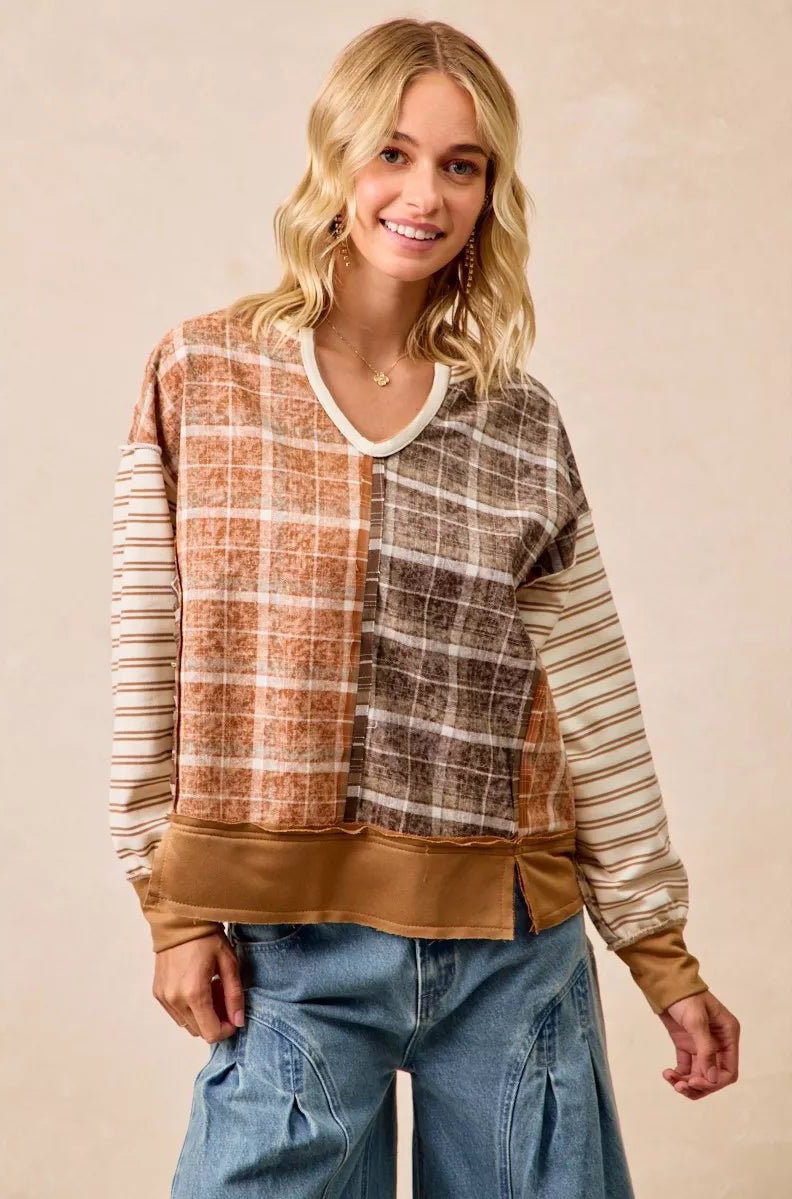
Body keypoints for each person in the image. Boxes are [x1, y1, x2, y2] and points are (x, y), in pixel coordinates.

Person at [109, 17, 740, 1197]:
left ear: (490, 191)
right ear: (334, 157)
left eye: (461, 164)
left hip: (514, 947)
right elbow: (152, 653)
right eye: (391, 153)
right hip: (290, 953)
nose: (423, 194)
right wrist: (171, 908)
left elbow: (591, 696)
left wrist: (660, 953)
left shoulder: (515, 419)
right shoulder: (204, 373)